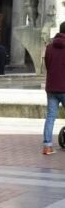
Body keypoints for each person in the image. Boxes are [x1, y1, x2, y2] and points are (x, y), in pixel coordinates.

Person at [42, 21, 65, 155]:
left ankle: (47, 146)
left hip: (51, 87)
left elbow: (47, 65)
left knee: (50, 117)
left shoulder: (49, 47)